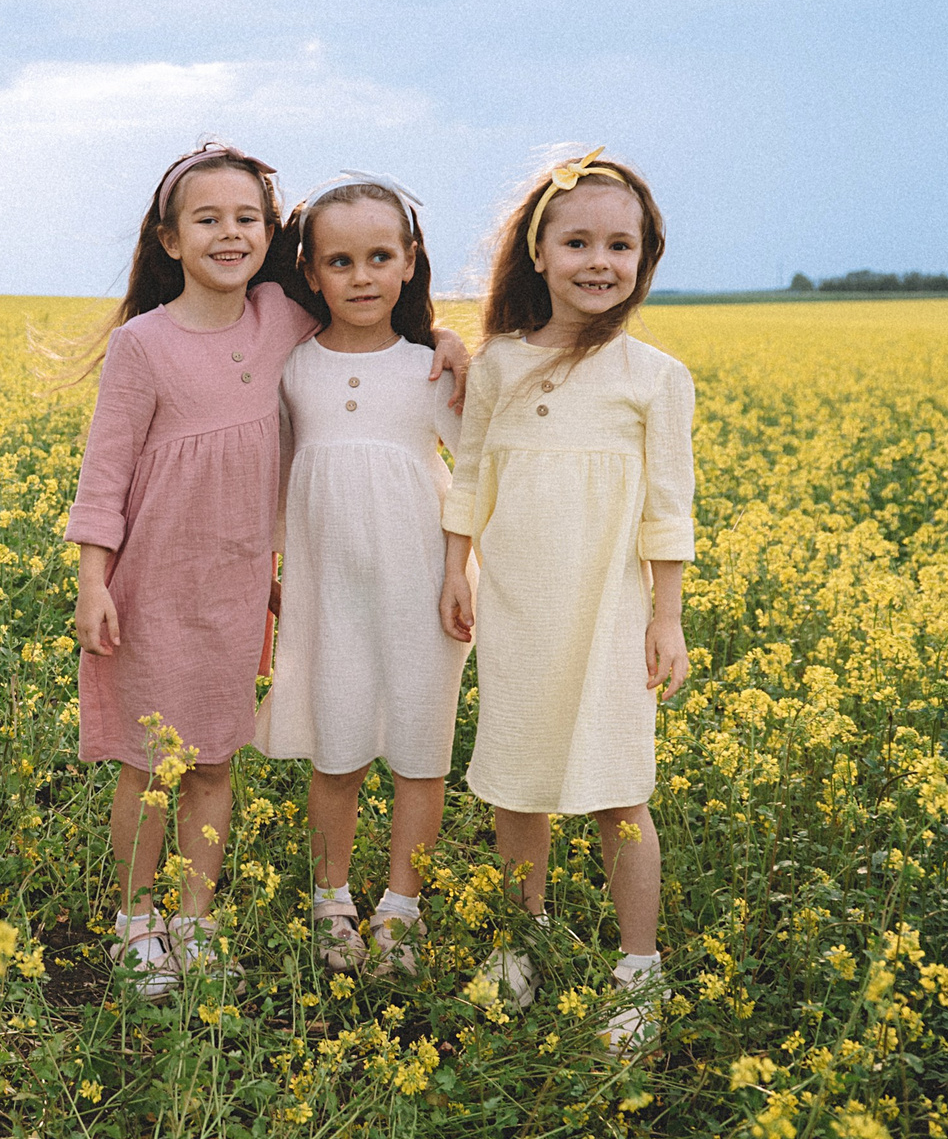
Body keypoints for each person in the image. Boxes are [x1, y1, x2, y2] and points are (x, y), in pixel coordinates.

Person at [63, 143, 467, 996]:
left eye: (247, 217)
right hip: (151, 581)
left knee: (213, 758)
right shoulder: (143, 344)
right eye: (207, 219)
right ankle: (136, 923)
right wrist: (93, 580)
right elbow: (104, 472)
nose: (230, 233)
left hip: (238, 584)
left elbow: (372, 327)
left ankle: (195, 921)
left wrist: (445, 336)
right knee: (148, 760)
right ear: (170, 240)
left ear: (271, 235)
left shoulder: (280, 317)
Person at [438, 146, 694, 1056]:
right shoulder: (499, 366)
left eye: (620, 246)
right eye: (577, 242)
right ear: (538, 253)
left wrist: (667, 617)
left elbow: (668, 509)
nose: (599, 262)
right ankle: (522, 941)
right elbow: (469, 478)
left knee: (621, 791)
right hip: (517, 608)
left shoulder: (654, 376)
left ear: (645, 258)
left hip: (612, 616)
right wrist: (454, 569)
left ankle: (639, 968)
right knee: (518, 782)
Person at [253, 173, 470, 981]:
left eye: (381, 257)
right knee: (335, 748)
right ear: (310, 273)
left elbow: (477, 474)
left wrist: (459, 572)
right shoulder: (291, 367)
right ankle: (332, 900)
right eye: (340, 262)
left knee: (419, 748)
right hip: (326, 589)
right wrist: (268, 568)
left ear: (410, 262)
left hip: (424, 586)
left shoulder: (431, 368)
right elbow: (271, 473)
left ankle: (401, 909)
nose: (363, 277)